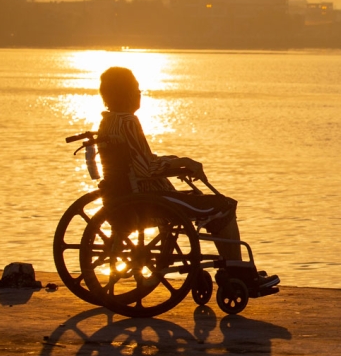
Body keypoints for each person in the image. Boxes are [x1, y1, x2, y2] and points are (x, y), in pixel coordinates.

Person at [95, 66, 278, 291]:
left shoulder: (107, 122)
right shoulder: (127, 122)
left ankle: (231, 269)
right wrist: (182, 163)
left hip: (121, 195)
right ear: (128, 93)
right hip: (148, 199)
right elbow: (147, 169)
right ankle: (239, 273)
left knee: (203, 202)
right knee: (222, 206)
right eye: (136, 89)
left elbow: (139, 162)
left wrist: (178, 163)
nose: (140, 93)